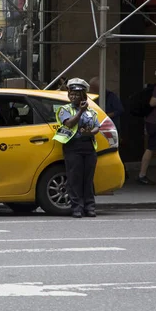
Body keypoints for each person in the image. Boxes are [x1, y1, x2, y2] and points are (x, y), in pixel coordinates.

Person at [53, 78, 99, 218]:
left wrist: (91, 132)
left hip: (89, 147)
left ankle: (89, 206)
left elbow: (97, 126)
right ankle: (76, 208)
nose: (73, 96)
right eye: (71, 94)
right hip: (73, 147)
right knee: (74, 179)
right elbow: (69, 124)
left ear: (83, 95)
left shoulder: (91, 111)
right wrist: (80, 112)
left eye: (76, 94)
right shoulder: (64, 110)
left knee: (88, 179)